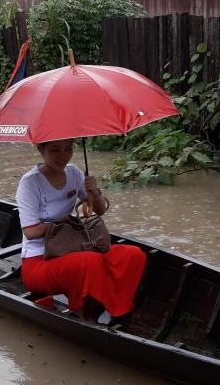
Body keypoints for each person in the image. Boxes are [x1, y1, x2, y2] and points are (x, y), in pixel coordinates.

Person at [16, 138, 146, 324]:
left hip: (74, 247)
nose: (63, 157)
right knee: (90, 262)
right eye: (55, 150)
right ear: (40, 149)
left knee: (132, 255)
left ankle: (117, 308)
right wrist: (68, 223)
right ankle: (86, 315)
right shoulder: (30, 183)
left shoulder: (75, 173)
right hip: (39, 260)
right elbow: (31, 231)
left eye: (68, 149)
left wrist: (94, 192)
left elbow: (100, 210)